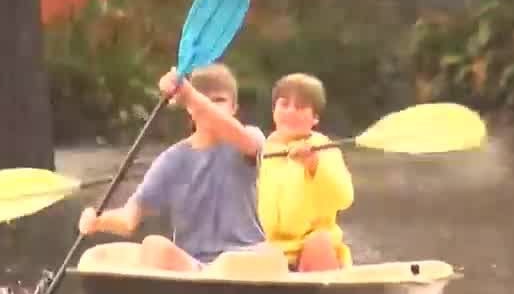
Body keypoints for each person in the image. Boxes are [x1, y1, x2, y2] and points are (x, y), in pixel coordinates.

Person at [77, 64, 272, 271]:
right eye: (204, 100)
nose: (211, 107)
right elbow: (128, 219)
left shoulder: (248, 137)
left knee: (268, 254)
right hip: (193, 266)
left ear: (234, 108)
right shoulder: (171, 160)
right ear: (188, 108)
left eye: (219, 101)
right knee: (152, 246)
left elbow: (243, 140)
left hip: (246, 259)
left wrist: (190, 94)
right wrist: (97, 221)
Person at [257, 73, 355, 272]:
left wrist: (314, 165)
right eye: (284, 104)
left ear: (315, 118)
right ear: (274, 110)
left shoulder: (323, 148)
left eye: (300, 107)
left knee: (319, 242)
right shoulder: (259, 150)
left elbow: (344, 198)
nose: (291, 112)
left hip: (310, 252)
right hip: (269, 253)